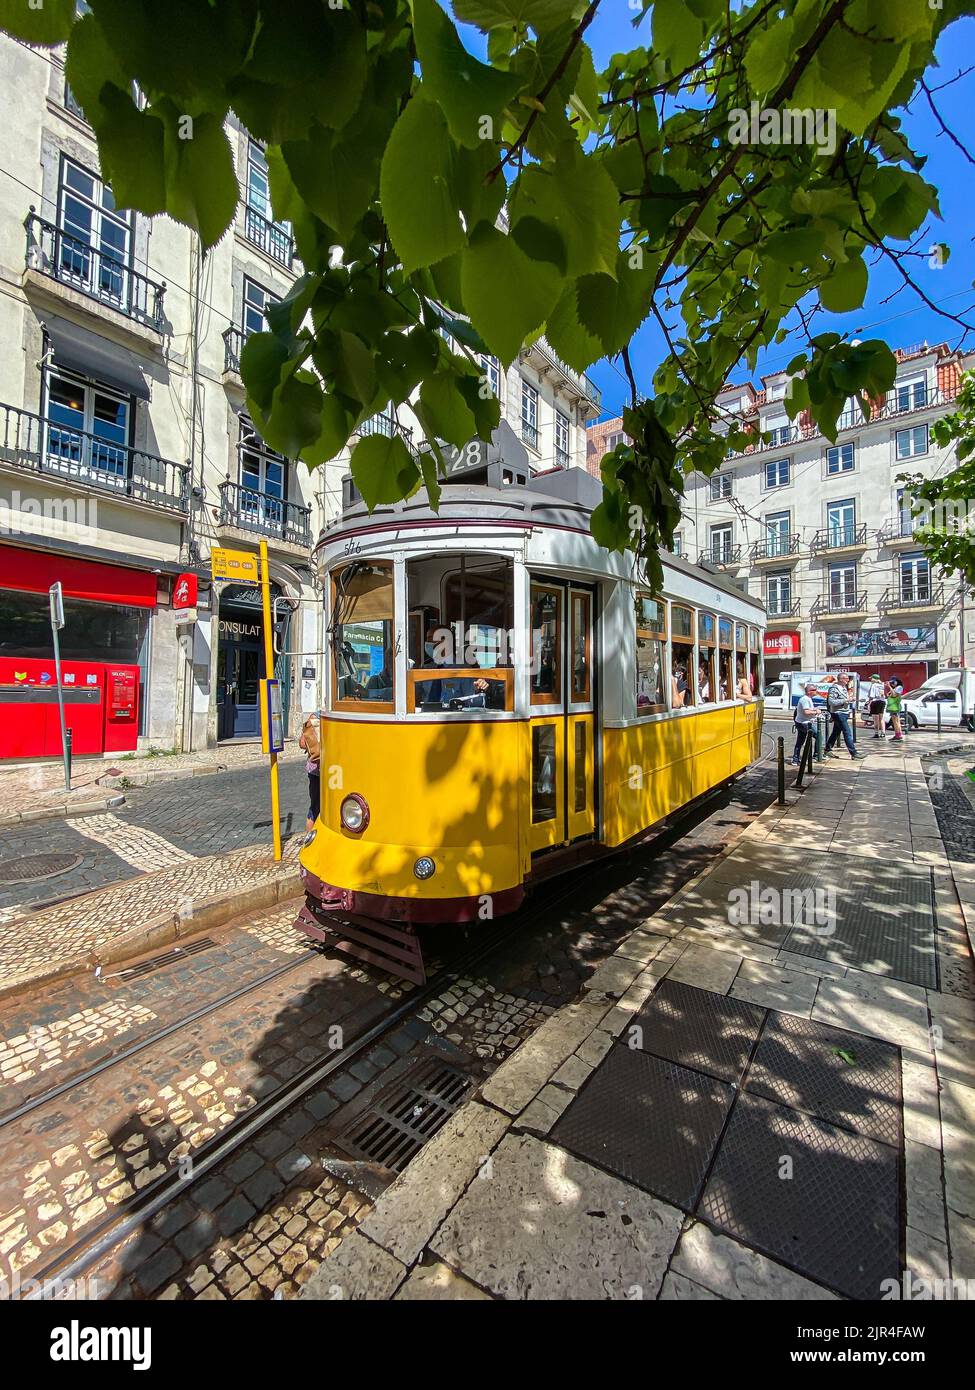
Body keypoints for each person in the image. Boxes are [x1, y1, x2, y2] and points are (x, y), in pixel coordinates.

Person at [825, 674, 863, 760]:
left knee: (836, 732)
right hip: (838, 713)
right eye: (846, 678)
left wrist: (850, 699)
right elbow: (831, 702)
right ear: (841, 679)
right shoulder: (834, 689)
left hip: (844, 713)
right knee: (847, 733)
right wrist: (846, 700)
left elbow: (843, 700)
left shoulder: (844, 688)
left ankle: (827, 749)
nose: (848, 680)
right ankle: (853, 753)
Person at [298, 711, 321, 833]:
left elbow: (302, 744)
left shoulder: (314, 716)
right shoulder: (331, 718)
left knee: (314, 806)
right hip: (331, 769)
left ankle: (308, 839)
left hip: (313, 768)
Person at [792, 682, 819, 765]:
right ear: (809, 691)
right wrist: (816, 711)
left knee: (800, 741)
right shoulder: (805, 699)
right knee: (819, 736)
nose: (816, 691)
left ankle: (795, 759)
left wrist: (815, 709)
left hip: (801, 722)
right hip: (804, 723)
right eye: (814, 690)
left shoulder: (808, 699)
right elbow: (806, 712)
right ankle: (816, 755)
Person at [866, 672, 886, 738]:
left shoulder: (873, 685)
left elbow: (871, 696)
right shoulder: (882, 685)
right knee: (881, 718)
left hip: (875, 701)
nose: (870, 680)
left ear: (874, 679)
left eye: (871, 678)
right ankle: (883, 732)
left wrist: (869, 703)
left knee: (875, 718)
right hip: (882, 701)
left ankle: (876, 733)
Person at [886, 676, 905, 741]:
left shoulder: (899, 687)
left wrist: (889, 687)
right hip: (893, 706)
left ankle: (898, 735)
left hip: (895, 707)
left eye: (893, 682)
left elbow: (894, 695)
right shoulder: (896, 688)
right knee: (895, 721)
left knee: (896, 721)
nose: (892, 684)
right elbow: (890, 695)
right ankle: (897, 734)